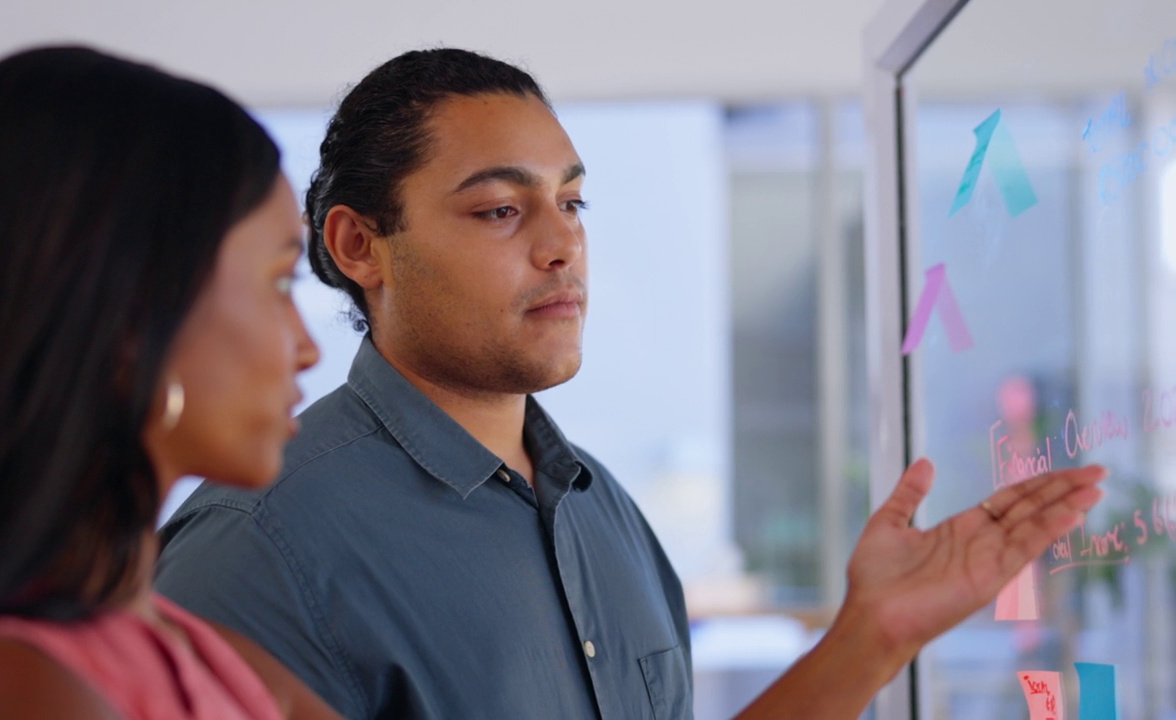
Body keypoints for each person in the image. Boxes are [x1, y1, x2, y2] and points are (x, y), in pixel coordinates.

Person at [155, 48, 1107, 719]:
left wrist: (872, 638)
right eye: (498, 208)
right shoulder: (258, 547)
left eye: (571, 202)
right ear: (361, 245)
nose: (561, 241)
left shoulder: (598, 510)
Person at [0, 46, 343, 720]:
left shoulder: (199, 650)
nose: (306, 348)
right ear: (134, 319)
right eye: (281, 282)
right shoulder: (5, 694)